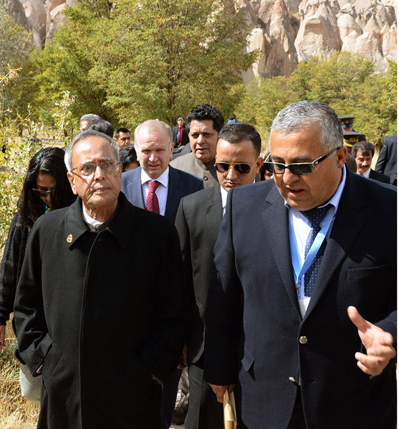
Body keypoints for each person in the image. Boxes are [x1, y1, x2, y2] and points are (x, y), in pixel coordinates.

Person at [204, 101, 396, 428]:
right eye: (277, 165)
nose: (287, 178)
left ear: (339, 157)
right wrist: (220, 371)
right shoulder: (244, 207)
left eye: (302, 165)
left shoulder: (388, 210)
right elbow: (224, 299)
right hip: (265, 400)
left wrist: (390, 334)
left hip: (354, 401)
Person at [13, 130, 190, 429]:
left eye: (108, 165)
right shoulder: (48, 230)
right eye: (87, 168)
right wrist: (46, 359)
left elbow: (174, 312)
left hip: (133, 397)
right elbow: (26, 306)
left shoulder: (156, 235)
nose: (99, 175)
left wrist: (150, 368)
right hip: (64, 393)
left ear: (120, 170)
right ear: (71, 181)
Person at [176, 123, 262, 429]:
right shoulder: (192, 208)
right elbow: (180, 280)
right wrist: (180, 339)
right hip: (204, 350)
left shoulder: (279, 210)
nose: (230, 175)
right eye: (223, 166)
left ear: (258, 164)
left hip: (260, 354)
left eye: (241, 167)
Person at [121, 119, 203, 428]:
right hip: (128, 312)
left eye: (159, 150)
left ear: (172, 148)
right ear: (136, 151)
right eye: (146, 151)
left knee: (164, 404)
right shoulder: (120, 184)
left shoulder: (191, 187)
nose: (153, 158)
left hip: (172, 312)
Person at [0, 147, 76, 398]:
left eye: (52, 190)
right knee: (33, 392)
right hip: (33, 326)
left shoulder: (79, 217)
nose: (47, 197)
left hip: (66, 324)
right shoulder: (25, 216)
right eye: (40, 191)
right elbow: (10, 267)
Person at [170, 104, 224, 188]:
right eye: (195, 135)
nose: (200, 141)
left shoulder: (234, 171)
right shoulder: (174, 169)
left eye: (206, 134)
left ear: (220, 135)